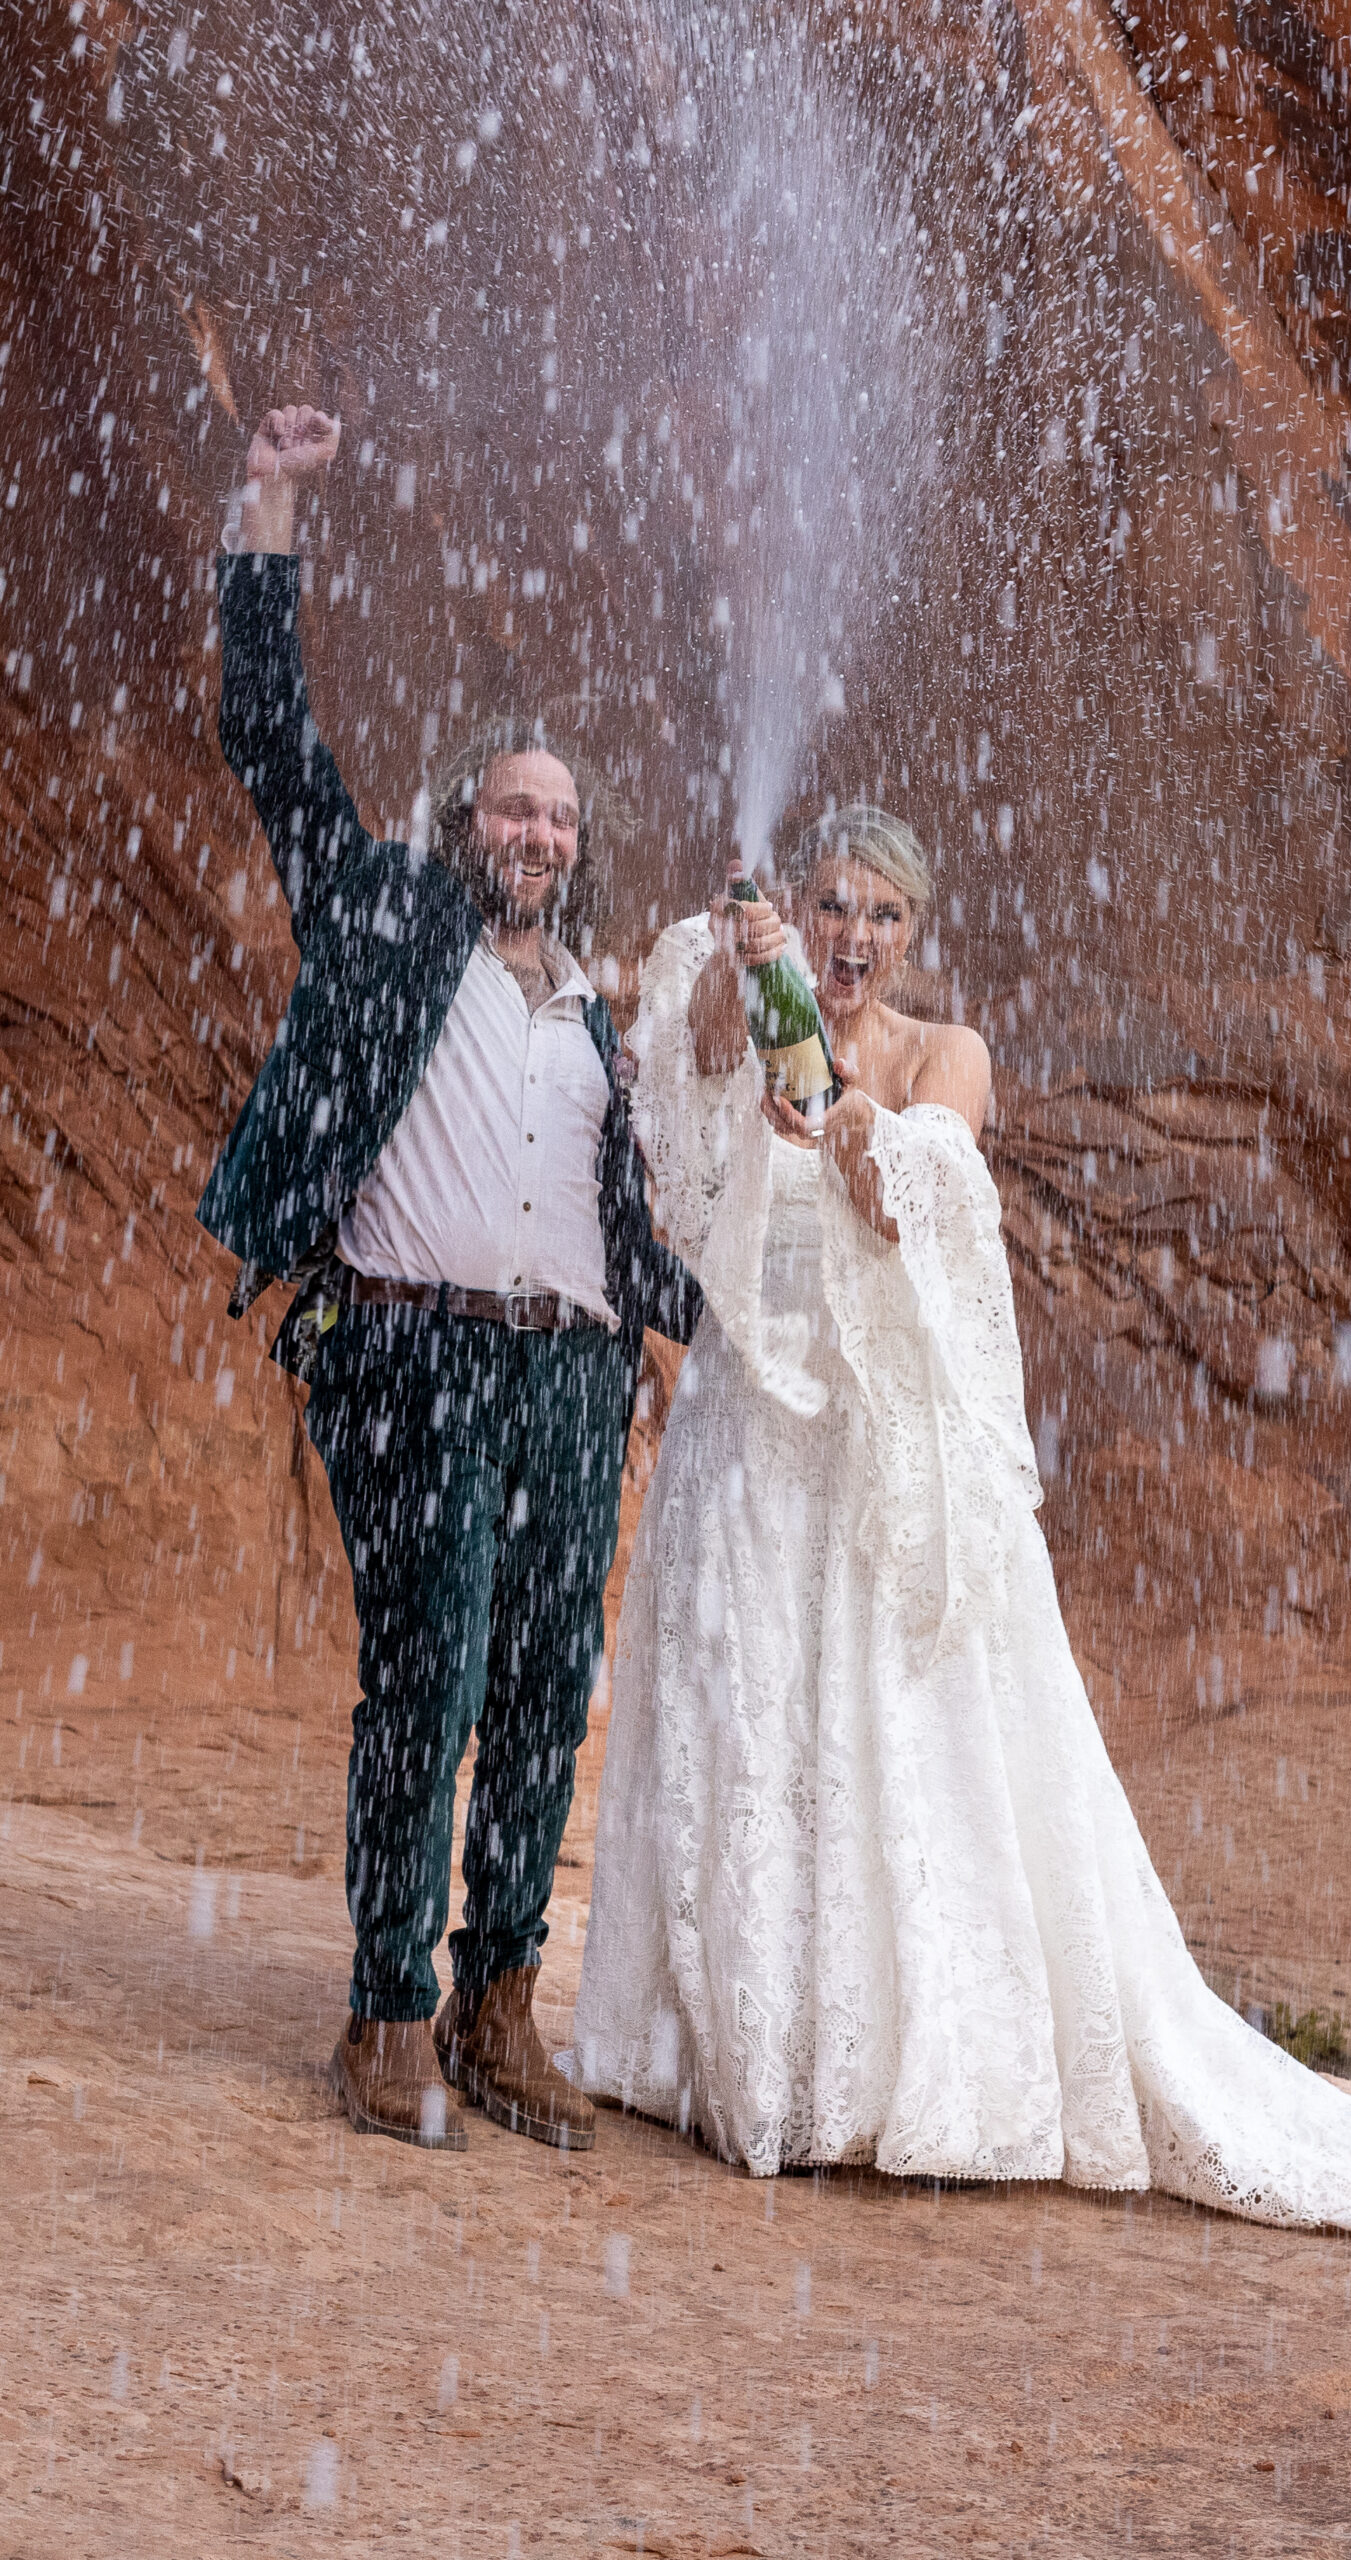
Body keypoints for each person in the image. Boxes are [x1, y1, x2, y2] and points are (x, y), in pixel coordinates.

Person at [569, 805, 1351, 2333]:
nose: (855, 935)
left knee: (894, 1741)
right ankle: (737, 2056)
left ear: (914, 929)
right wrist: (742, 976)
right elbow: (683, 1075)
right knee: (750, 1723)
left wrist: (841, 1117)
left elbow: (909, 1211)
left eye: (882, 914)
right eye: (832, 906)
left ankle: (890, 2073)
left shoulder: (947, 1056)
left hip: (888, 1463)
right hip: (761, 1438)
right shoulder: (754, 996)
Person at [202, 405, 701, 2152]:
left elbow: (686, 1204)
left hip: (572, 1378)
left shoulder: (610, 1017)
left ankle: (504, 2010)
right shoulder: (385, 918)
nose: (541, 832)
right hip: (410, 1361)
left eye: (563, 815)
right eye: (514, 804)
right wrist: (270, 507)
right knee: (431, 1670)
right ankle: (385, 2015)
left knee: (549, 1686)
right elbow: (268, 736)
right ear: (461, 819)